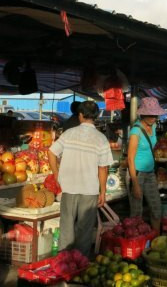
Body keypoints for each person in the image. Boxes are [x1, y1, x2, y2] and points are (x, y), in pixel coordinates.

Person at [48, 101, 113, 256]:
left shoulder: (69, 133)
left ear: (81, 115)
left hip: (69, 188)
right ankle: (80, 263)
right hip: (89, 190)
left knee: (67, 227)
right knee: (84, 230)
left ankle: (64, 260)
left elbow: (51, 152)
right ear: (96, 117)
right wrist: (102, 191)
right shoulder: (101, 138)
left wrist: (56, 173)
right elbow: (103, 168)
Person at [126, 97, 164, 232]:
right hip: (136, 174)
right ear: (143, 114)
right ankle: (137, 244)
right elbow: (130, 159)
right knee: (137, 212)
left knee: (157, 208)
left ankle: (156, 240)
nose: (154, 118)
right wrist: (135, 184)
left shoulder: (153, 126)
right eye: (151, 115)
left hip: (150, 173)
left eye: (156, 115)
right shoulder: (136, 131)